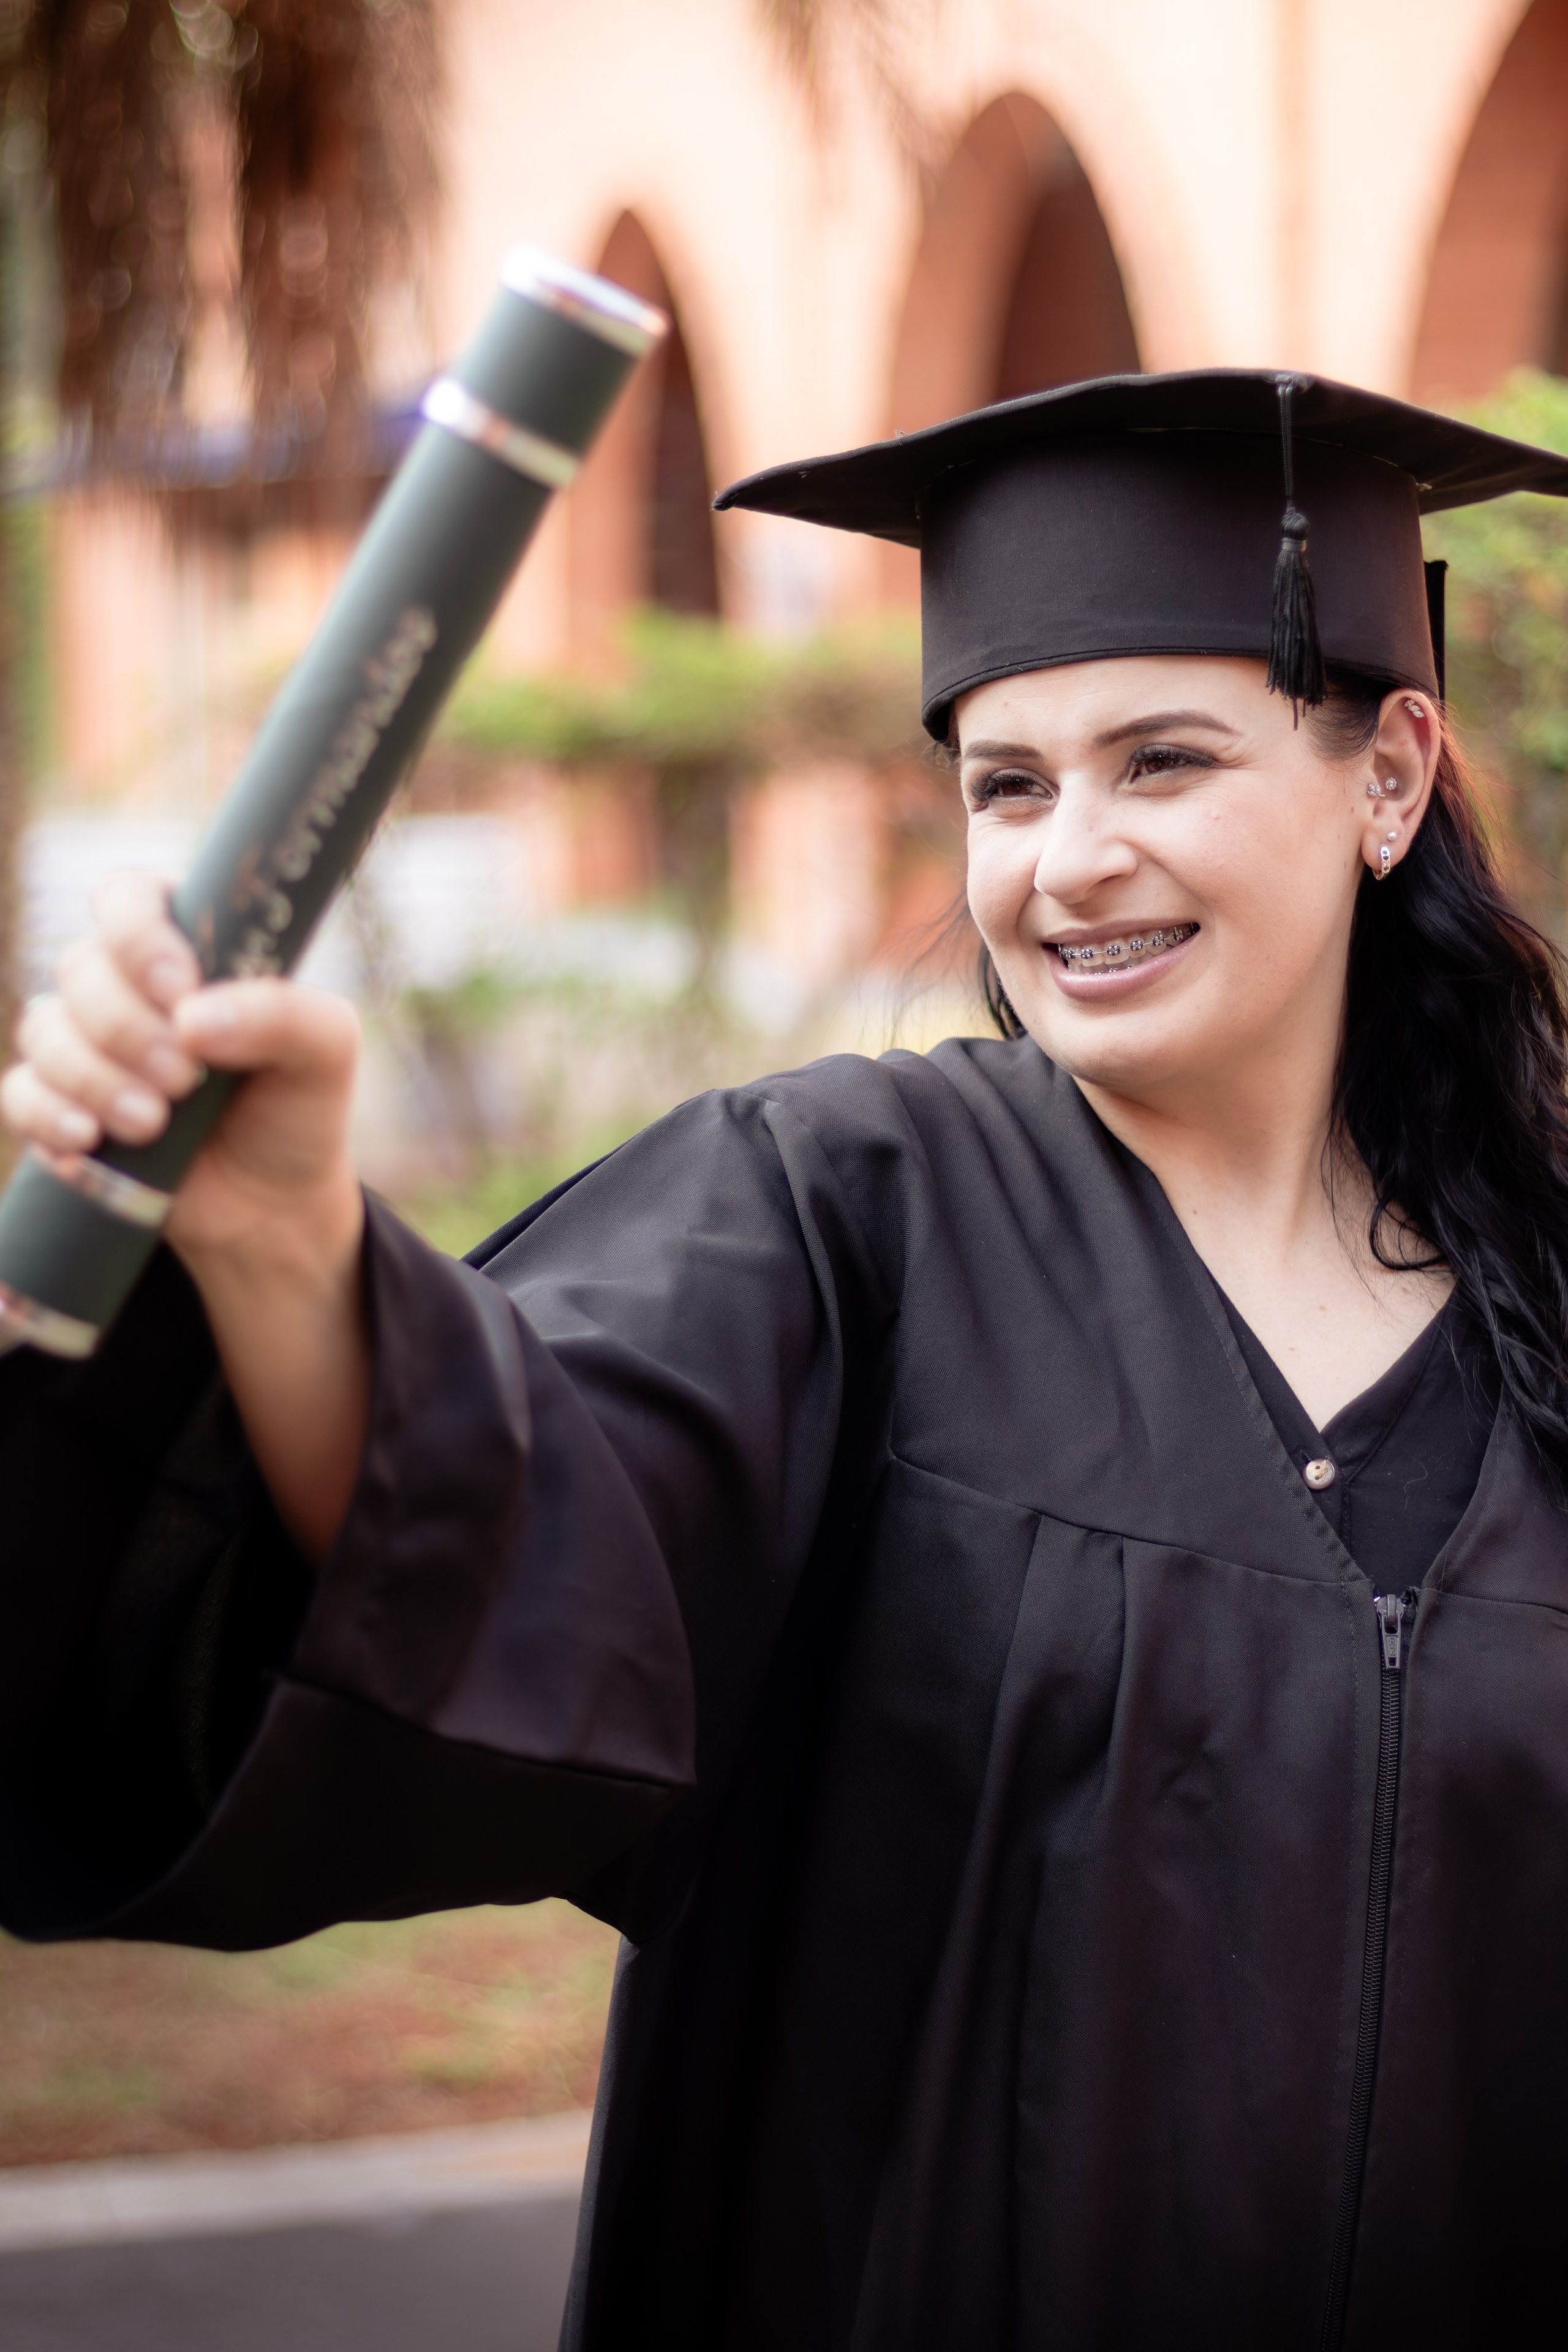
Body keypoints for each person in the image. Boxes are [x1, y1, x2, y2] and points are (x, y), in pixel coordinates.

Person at [3, 371, 1568, 2351]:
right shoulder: (844, 1214)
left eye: (1161, 762)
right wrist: (287, 1249)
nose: (1067, 859)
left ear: (1391, 775)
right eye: (1008, 785)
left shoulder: (1546, 1306)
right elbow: (509, 1533)